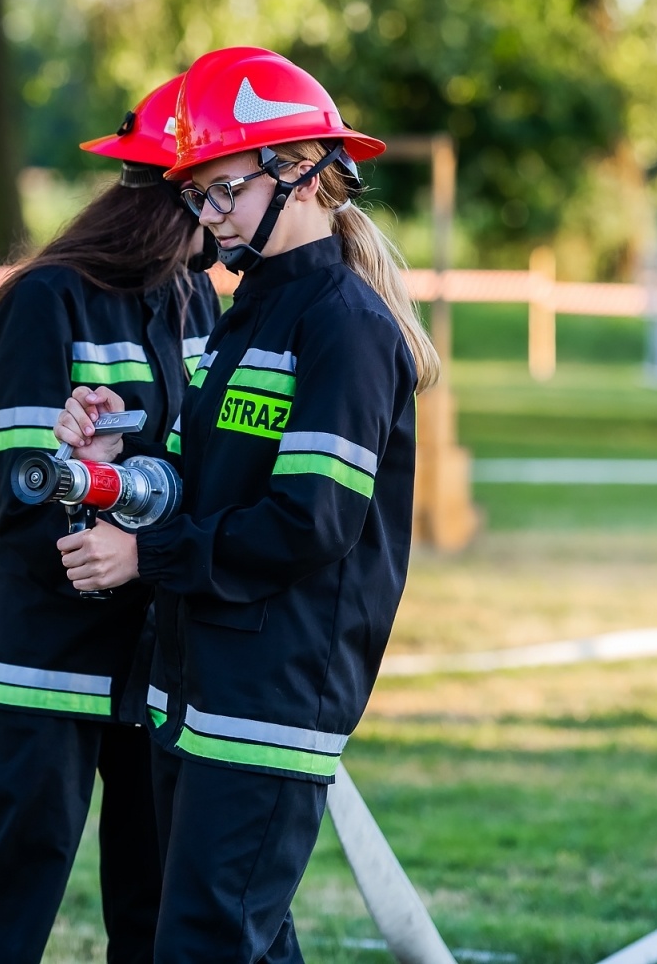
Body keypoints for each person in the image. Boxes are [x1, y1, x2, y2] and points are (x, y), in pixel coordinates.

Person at [53, 47, 440, 963]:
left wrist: (147, 559)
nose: (210, 218)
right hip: (195, 688)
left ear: (302, 176)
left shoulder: (345, 327)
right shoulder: (246, 316)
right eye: (199, 197)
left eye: (225, 190)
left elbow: (310, 522)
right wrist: (116, 463)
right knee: (238, 944)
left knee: (204, 944)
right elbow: (202, 486)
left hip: (272, 696)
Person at [0, 75, 220, 964]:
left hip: (159, 657)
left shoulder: (193, 296)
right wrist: (87, 482)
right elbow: (27, 492)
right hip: (49, 659)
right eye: (213, 195)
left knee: (155, 905)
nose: (229, 220)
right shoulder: (44, 301)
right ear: (171, 197)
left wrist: (155, 542)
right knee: (11, 899)